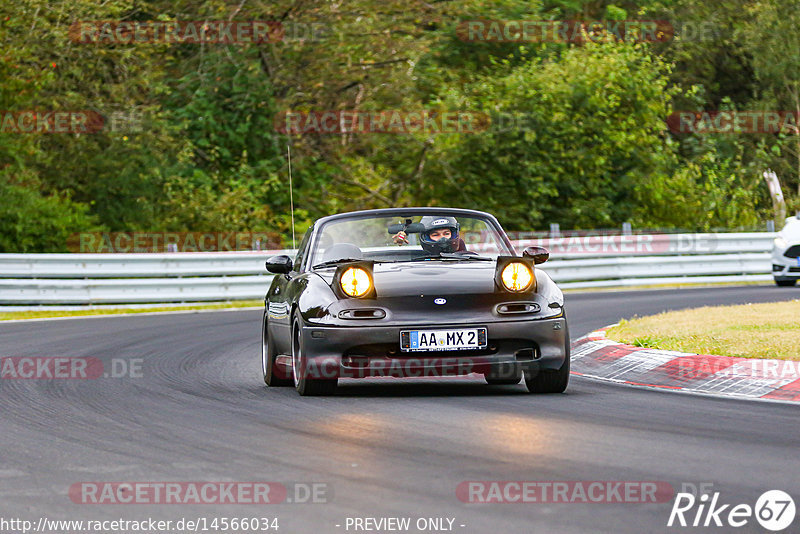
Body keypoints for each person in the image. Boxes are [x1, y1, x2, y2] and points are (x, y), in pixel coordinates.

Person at [392, 215, 468, 253]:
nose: (442, 238)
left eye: (446, 233)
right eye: (435, 235)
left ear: (453, 234)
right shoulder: (418, 261)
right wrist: (401, 237)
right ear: (427, 237)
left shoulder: (467, 259)